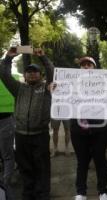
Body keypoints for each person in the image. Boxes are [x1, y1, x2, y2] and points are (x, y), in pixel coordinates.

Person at [0, 47, 53, 200]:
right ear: (25, 75)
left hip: (40, 135)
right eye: (28, 71)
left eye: (35, 71)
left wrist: (43, 58)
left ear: (40, 75)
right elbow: (4, 74)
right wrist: (8, 57)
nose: (31, 73)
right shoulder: (18, 88)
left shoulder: (46, 88)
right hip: (21, 135)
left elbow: (51, 72)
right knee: (25, 168)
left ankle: (43, 195)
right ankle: (28, 194)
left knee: (42, 168)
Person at [69, 56, 107, 200]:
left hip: (99, 130)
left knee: (100, 160)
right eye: (83, 65)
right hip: (78, 130)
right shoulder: (69, 83)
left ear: (94, 67)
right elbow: (60, 98)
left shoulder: (106, 82)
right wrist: (54, 89)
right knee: (82, 162)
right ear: (79, 68)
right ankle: (81, 192)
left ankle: (103, 191)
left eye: (89, 64)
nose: (86, 67)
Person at [0, 57, 16, 200]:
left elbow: (6, 74)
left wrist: (9, 58)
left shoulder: (10, 79)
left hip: (6, 120)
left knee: (7, 153)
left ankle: (5, 184)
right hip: (7, 121)